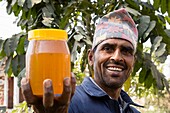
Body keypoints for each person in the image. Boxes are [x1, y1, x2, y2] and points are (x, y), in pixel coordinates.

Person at [21, 8, 143, 113]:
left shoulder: (131, 111)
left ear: (133, 62)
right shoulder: (66, 104)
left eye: (126, 51)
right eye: (108, 49)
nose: (117, 57)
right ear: (91, 57)